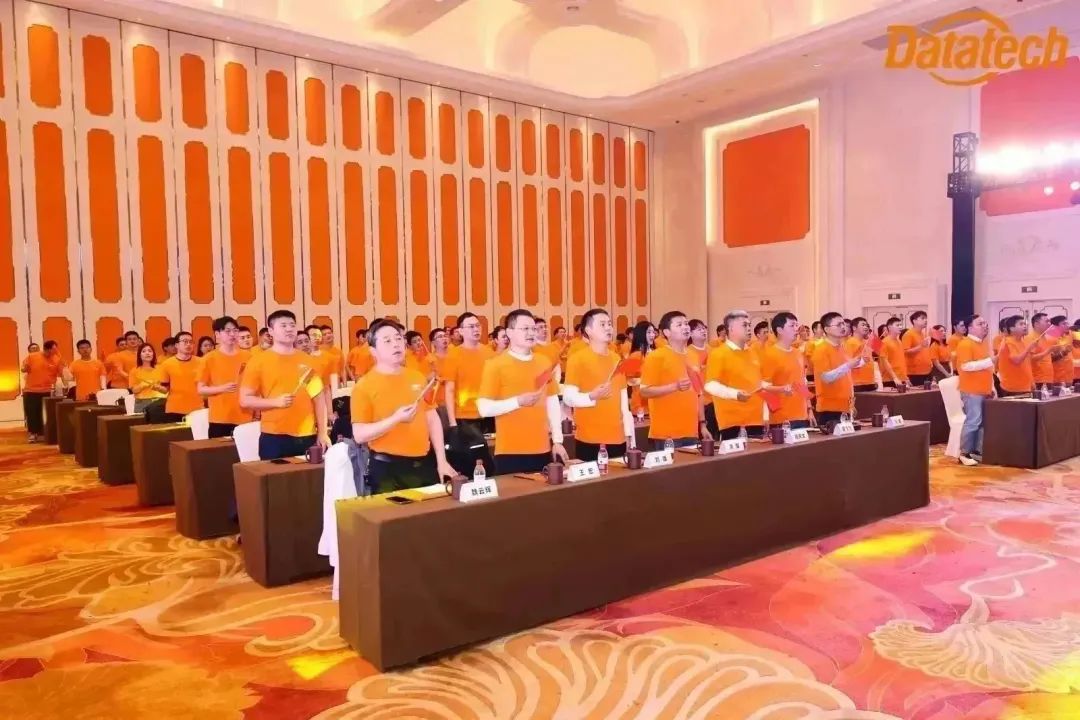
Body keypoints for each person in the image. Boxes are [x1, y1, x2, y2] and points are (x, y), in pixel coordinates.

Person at [351, 319, 456, 492]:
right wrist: (396, 419)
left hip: (423, 465)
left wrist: (442, 460)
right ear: (373, 351)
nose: (396, 344)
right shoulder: (364, 386)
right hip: (387, 470)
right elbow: (360, 435)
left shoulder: (417, 378)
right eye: (387, 341)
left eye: (398, 338)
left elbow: (431, 418)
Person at [476, 309, 568, 474]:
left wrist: (557, 440)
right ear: (509, 332)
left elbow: (552, 401)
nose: (531, 333)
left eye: (533, 329)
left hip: (542, 449)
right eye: (525, 329)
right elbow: (484, 408)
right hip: (510, 452)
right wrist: (518, 402)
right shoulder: (495, 365)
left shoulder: (543, 362)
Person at [240, 310, 331, 459]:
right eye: (283, 325)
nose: (289, 329)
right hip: (274, 436)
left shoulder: (307, 360)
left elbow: (318, 397)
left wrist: (322, 433)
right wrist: (275, 402)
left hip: (307, 435)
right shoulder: (258, 361)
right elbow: (245, 400)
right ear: (271, 331)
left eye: (292, 325)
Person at [562, 308, 634, 461]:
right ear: (588, 330)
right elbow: (568, 397)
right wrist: (591, 396)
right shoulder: (578, 359)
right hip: (589, 439)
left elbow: (623, 402)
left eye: (609, 324)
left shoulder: (616, 359)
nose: (608, 328)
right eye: (602, 324)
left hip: (618, 438)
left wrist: (629, 434)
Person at [641, 310, 710, 448]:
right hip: (667, 433)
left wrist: (702, 425)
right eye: (679, 325)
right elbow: (644, 391)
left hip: (691, 431)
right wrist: (674, 387)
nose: (685, 327)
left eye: (686, 323)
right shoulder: (656, 356)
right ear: (666, 332)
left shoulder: (693, 355)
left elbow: (699, 393)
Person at [705, 310, 774, 440]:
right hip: (732, 422)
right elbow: (710, 385)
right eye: (744, 325)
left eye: (749, 325)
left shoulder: (753, 353)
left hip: (756, 420)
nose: (748, 328)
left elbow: (760, 385)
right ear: (731, 329)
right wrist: (735, 394)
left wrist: (765, 415)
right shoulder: (718, 353)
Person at [198, 316, 252, 438]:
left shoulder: (249, 357)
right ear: (217, 334)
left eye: (235, 330)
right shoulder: (209, 359)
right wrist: (222, 388)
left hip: (246, 417)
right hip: (220, 419)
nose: (232, 334)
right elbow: (201, 389)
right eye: (227, 331)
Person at [444, 312, 496, 436]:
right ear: (461, 331)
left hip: (489, 413)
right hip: (464, 416)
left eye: (477, 325)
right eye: (471, 326)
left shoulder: (489, 353)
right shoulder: (453, 355)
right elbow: (449, 390)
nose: (476, 329)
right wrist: (452, 422)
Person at [955, 314, 994, 466]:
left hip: (984, 389)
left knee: (982, 422)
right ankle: (964, 453)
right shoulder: (965, 344)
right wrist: (989, 361)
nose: (985, 326)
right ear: (970, 328)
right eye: (980, 324)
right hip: (971, 390)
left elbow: (987, 368)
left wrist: (991, 387)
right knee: (973, 421)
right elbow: (965, 366)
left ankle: (976, 451)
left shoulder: (983, 344)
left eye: (985, 323)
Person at [812, 312, 864, 425]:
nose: (843, 327)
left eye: (843, 324)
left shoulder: (844, 347)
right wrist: (848, 365)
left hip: (846, 406)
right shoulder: (821, 349)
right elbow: (826, 378)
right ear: (827, 329)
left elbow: (847, 376)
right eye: (839, 324)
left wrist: (851, 404)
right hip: (829, 408)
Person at [761, 311, 810, 429]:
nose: (796, 329)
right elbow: (764, 388)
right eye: (792, 325)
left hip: (801, 415)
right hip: (782, 419)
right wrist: (774, 412)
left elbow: (802, 382)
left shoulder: (798, 353)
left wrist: (809, 409)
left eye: (796, 325)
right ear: (779, 330)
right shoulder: (769, 355)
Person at [157, 332, 205, 422]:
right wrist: (157, 388)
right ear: (177, 345)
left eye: (191, 342)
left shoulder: (201, 362)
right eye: (185, 341)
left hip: (197, 408)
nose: (188, 344)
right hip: (174, 409)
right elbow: (165, 389)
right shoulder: (167, 364)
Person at [21, 340, 64, 442]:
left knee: (45, 413)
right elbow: (23, 369)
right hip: (31, 390)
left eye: (55, 350)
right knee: (32, 413)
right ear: (45, 349)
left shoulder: (57, 359)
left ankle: (44, 433)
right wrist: (25, 368)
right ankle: (33, 434)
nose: (54, 352)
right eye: (52, 350)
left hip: (48, 390)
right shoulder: (32, 356)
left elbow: (61, 374)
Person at [997, 315, 1037, 397]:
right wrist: (1029, 348)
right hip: (1012, 388)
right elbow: (1017, 361)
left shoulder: (1023, 342)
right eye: (1021, 324)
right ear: (1012, 328)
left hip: (1025, 387)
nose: (1025, 326)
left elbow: (1026, 365)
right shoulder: (1008, 342)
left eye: (1025, 324)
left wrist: (1031, 382)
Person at [626, 321, 655, 419]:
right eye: (649, 332)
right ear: (641, 334)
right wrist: (647, 381)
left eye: (653, 332)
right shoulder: (635, 355)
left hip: (655, 403)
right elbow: (629, 380)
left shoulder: (655, 353)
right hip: (640, 406)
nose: (652, 335)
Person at [130, 343, 167, 412]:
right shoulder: (134, 371)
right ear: (139, 355)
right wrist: (142, 385)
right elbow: (134, 390)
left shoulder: (161, 368)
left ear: (153, 354)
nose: (147, 353)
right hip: (142, 402)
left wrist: (158, 387)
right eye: (144, 351)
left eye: (150, 351)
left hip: (160, 401)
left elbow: (165, 390)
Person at [845, 317, 878, 392]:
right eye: (863, 325)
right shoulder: (850, 342)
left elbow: (881, 352)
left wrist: (875, 337)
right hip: (857, 384)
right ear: (854, 328)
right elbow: (847, 363)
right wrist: (861, 361)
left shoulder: (867, 341)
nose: (866, 327)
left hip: (870, 382)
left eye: (866, 325)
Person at [902, 311, 933, 386]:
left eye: (926, 318)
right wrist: (921, 346)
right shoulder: (908, 334)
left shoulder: (922, 334)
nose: (926, 320)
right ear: (914, 321)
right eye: (922, 318)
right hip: (914, 373)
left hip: (926, 371)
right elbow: (905, 351)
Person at [1026, 313, 1055, 391]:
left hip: (1048, 377)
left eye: (1049, 321)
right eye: (1046, 321)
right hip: (1038, 379)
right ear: (1036, 324)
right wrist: (1048, 351)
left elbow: (1045, 357)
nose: (1049, 324)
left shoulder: (1045, 337)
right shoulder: (1031, 338)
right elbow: (1030, 358)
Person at [879, 317, 908, 388]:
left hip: (901, 378)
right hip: (890, 380)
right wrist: (895, 377)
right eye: (897, 325)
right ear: (889, 327)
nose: (900, 327)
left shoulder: (899, 341)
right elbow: (885, 362)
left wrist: (905, 377)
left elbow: (901, 361)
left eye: (901, 325)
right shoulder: (884, 342)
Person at [426, 327, 450, 406]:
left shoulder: (455, 356)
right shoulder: (429, 359)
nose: (444, 338)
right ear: (433, 342)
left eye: (445, 336)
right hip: (439, 402)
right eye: (440, 337)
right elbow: (427, 379)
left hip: (456, 400)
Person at [1048, 315, 1073, 389]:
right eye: (1064, 324)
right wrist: (1063, 353)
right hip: (1056, 379)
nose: (1067, 325)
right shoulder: (1050, 339)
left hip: (1069, 377)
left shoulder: (1069, 336)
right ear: (1055, 327)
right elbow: (1049, 358)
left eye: (1067, 323)